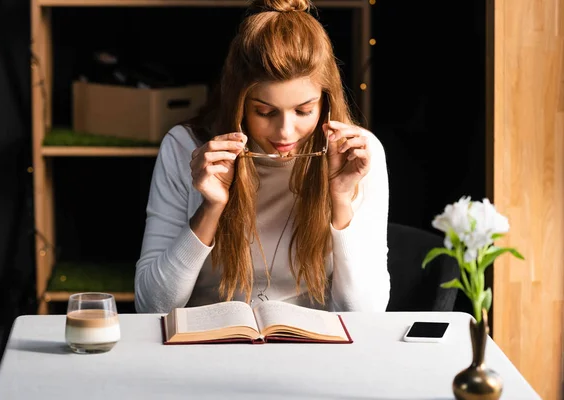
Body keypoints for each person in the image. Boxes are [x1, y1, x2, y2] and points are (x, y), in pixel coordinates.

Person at [134, 0, 390, 314]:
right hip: (206, 348)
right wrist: (210, 208)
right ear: (238, 100)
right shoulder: (183, 148)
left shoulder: (359, 154)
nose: (285, 132)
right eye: (265, 112)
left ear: (325, 101)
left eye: (303, 111)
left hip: (311, 352)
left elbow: (367, 312)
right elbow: (151, 305)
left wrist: (340, 198)